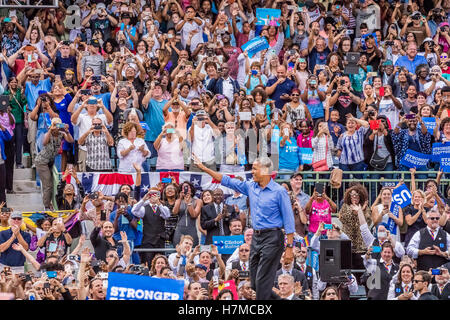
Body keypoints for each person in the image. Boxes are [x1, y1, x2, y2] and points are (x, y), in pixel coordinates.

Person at [193, 155, 295, 300]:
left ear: (265, 170)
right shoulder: (250, 186)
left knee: (262, 281)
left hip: (273, 237)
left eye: (254, 169)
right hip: (257, 237)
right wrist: (204, 168)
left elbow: (289, 219)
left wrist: (289, 247)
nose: (251, 171)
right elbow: (226, 180)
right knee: (254, 283)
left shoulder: (279, 191)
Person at [34, 118, 74, 210]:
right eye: (55, 125)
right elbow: (44, 142)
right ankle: (46, 205)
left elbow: (71, 141)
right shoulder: (48, 134)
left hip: (50, 161)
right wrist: (50, 130)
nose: (57, 127)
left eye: (58, 125)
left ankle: (51, 203)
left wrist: (67, 132)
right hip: (42, 161)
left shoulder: (61, 134)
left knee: (53, 183)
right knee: (47, 184)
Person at [131, 188, 172, 267]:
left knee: (160, 262)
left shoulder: (163, 208)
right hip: (148, 240)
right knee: (148, 262)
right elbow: (134, 211)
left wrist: (158, 203)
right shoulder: (144, 208)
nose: (153, 196)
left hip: (160, 240)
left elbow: (166, 215)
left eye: (155, 194)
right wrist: (143, 199)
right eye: (151, 194)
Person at [406, 207, 450, 271]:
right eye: (432, 218)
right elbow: (409, 250)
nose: (435, 220)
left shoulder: (446, 235)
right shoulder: (419, 233)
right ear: (427, 220)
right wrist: (422, 252)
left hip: (441, 274)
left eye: (437, 218)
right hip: (423, 273)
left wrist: (442, 253)